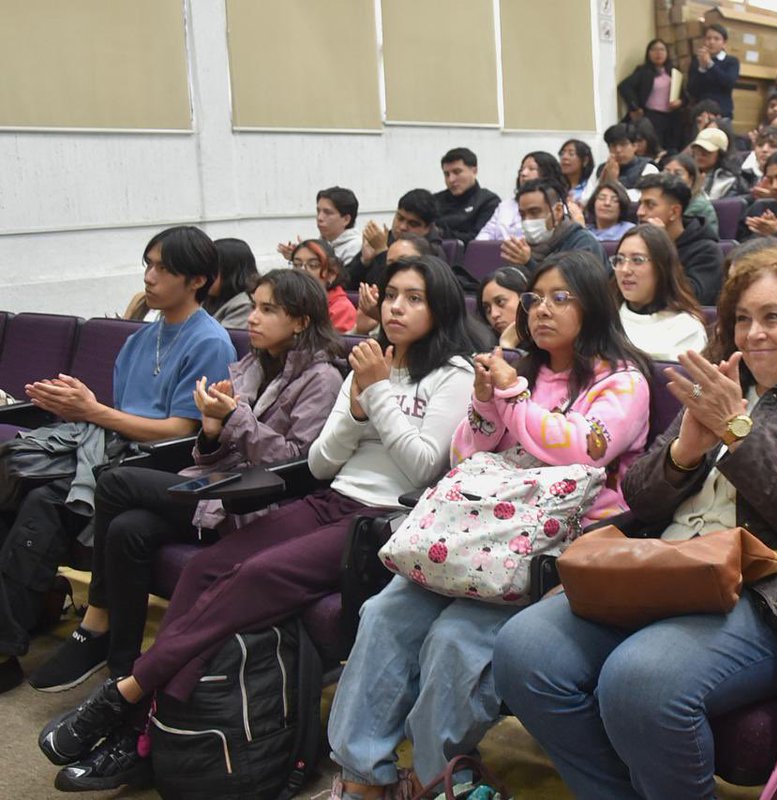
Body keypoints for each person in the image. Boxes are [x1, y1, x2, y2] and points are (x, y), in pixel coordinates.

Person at [39, 255, 478, 783]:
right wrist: (359, 407)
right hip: (331, 500)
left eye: (414, 298)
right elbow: (320, 462)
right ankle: (149, 731)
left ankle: (131, 698)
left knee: (253, 577)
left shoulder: (454, 376)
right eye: (391, 295)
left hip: (382, 522)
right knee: (208, 568)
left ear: (441, 309)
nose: (396, 308)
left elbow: (423, 468)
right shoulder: (367, 362)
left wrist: (378, 395)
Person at [494, 242, 777, 800]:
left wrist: (739, 433)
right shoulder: (718, 384)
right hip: (660, 566)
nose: (754, 334)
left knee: (641, 680)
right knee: (524, 649)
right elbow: (639, 494)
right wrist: (685, 450)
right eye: (742, 320)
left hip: (762, 590)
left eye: (774, 318)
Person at [326, 251, 653, 798]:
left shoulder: (622, 381)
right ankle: (364, 777)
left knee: (454, 639)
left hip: (553, 548)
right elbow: (465, 456)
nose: (541, 309)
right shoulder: (520, 368)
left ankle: (437, 781)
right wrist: (483, 403)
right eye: (534, 299)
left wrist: (510, 396)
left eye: (559, 298)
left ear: (594, 304)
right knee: (384, 614)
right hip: (478, 535)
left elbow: (582, 450)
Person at [26, 269, 344, 700]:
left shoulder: (322, 378)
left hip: (256, 503)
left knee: (116, 482)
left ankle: (95, 622)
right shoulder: (254, 362)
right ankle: (122, 667)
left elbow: (295, 461)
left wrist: (233, 419)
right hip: (217, 485)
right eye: (253, 306)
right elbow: (215, 451)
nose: (252, 318)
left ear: (302, 321)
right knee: (127, 529)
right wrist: (212, 430)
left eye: (268, 310)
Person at [0, 226, 237, 693]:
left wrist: (94, 410)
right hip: (117, 454)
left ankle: (34, 641)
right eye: (147, 265)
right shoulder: (138, 340)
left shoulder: (209, 342)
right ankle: (22, 628)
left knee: (50, 502)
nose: (149, 277)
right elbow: (119, 418)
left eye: (163, 269)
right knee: (23, 489)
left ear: (197, 281)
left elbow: (182, 432)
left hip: (165, 464)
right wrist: (81, 407)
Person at [611, 224, 708, 359]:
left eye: (637, 260)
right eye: (620, 260)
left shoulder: (686, 329)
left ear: (662, 267)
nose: (625, 270)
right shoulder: (604, 319)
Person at [636, 173, 723, 305]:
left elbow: (692, 298)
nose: (640, 212)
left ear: (674, 212)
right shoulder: (636, 244)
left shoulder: (707, 251)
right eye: (640, 204)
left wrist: (663, 248)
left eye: (650, 205)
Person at [499, 179, 607, 274]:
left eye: (534, 212)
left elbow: (570, 289)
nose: (527, 220)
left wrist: (528, 263)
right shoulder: (522, 249)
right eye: (522, 215)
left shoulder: (583, 243)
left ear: (558, 211)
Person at [348, 189, 444, 288]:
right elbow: (346, 285)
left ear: (427, 228)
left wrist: (382, 252)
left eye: (412, 223)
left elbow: (390, 288)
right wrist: (364, 262)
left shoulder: (433, 251)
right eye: (400, 218)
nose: (402, 227)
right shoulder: (385, 238)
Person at [477, 152, 565, 242]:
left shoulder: (559, 206)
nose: (523, 173)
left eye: (531, 169)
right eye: (522, 169)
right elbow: (486, 234)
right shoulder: (506, 205)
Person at [618, 38, 684, 153]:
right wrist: (635, 107)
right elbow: (624, 86)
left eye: (662, 50)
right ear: (648, 53)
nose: (658, 53)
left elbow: (684, 95)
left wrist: (680, 102)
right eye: (654, 50)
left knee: (670, 149)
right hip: (651, 117)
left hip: (671, 118)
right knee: (654, 149)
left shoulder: (673, 72)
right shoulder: (643, 72)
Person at [276, 186, 360, 265]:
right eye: (318, 211)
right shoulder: (324, 242)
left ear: (346, 219)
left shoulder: (355, 248)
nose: (319, 218)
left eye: (327, 213)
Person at [433, 147, 502, 244]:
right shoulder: (435, 201)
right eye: (446, 174)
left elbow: (478, 240)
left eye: (457, 172)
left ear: (474, 171)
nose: (451, 179)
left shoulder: (488, 201)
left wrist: (441, 233)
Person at [291, 239, 357, 333]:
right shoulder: (287, 301)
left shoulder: (342, 309)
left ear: (331, 274)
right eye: (297, 265)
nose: (302, 271)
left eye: (313, 265)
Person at [202, 238, 258, 329]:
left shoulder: (244, 305)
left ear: (231, 272)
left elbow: (215, 340)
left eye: (211, 270)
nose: (204, 277)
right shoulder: (209, 298)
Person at [687, 23, 740, 118]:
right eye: (708, 38)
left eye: (716, 39)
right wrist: (702, 69)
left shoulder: (731, 61)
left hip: (722, 113)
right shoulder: (697, 60)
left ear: (724, 43)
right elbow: (691, 90)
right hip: (700, 114)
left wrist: (710, 64)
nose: (711, 42)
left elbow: (728, 83)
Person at [661, 152, 719, 237]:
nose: (670, 177)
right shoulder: (659, 201)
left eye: (678, 173)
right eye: (667, 172)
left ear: (691, 179)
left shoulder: (700, 206)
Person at [476, 266, 528, 350]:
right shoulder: (484, 349)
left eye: (500, 302)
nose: (494, 314)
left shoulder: (546, 344)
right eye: (487, 309)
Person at [688, 128, 744, 200]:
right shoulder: (683, 173)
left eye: (707, 151)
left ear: (720, 154)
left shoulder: (728, 180)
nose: (701, 154)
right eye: (698, 149)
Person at [559, 139, 597, 206]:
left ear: (585, 160)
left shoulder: (592, 185)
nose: (564, 157)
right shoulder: (556, 184)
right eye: (562, 154)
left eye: (571, 154)